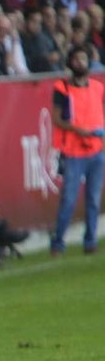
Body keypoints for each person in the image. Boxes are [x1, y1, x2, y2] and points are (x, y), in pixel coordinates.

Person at [50, 45, 105, 255]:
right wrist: (77, 129)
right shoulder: (62, 87)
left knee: (93, 199)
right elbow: (56, 119)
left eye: (83, 59)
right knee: (69, 199)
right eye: (76, 59)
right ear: (70, 63)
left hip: (96, 150)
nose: (80, 63)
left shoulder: (98, 87)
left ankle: (90, 241)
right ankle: (58, 242)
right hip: (72, 150)